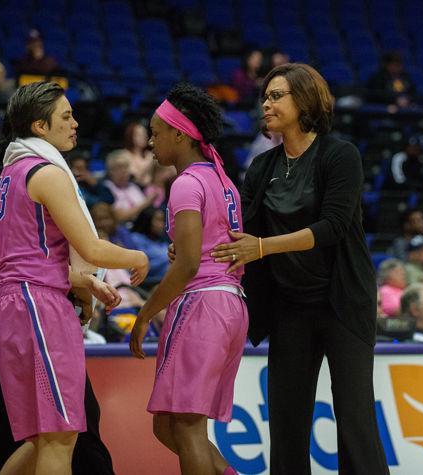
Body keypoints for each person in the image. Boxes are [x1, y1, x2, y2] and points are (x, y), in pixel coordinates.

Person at [209, 63, 389, 473]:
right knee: (287, 423)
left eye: (276, 96)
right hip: (290, 306)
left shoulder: (340, 155)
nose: (266, 104)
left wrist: (263, 247)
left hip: (343, 302)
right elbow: (240, 232)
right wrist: (194, 249)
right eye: (265, 97)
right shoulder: (261, 168)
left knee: (354, 417)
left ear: (304, 100)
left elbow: (332, 227)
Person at [0, 81, 148, 474]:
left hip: (15, 304)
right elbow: (93, 248)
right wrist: (136, 254)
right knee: (60, 437)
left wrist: (84, 282)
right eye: (66, 116)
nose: (75, 123)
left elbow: (29, 256)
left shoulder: (10, 173)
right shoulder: (46, 174)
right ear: (40, 127)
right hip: (37, 306)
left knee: (43, 439)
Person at [129, 83, 246, 475]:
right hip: (230, 302)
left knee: (187, 425)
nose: (150, 142)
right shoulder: (221, 178)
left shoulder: (186, 183)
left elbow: (189, 263)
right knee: (168, 426)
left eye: (156, 132)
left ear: (179, 134)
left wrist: (146, 313)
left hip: (203, 303)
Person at [102, 149, 154, 224]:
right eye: (119, 167)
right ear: (111, 171)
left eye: (126, 167)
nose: (124, 171)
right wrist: (146, 202)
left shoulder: (134, 187)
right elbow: (120, 217)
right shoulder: (106, 188)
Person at [123, 121, 155, 188]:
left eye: (145, 134)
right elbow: (135, 178)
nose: (144, 137)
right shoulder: (125, 155)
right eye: (140, 135)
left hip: (151, 189)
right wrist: (149, 162)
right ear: (131, 136)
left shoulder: (150, 155)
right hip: (134, 189)